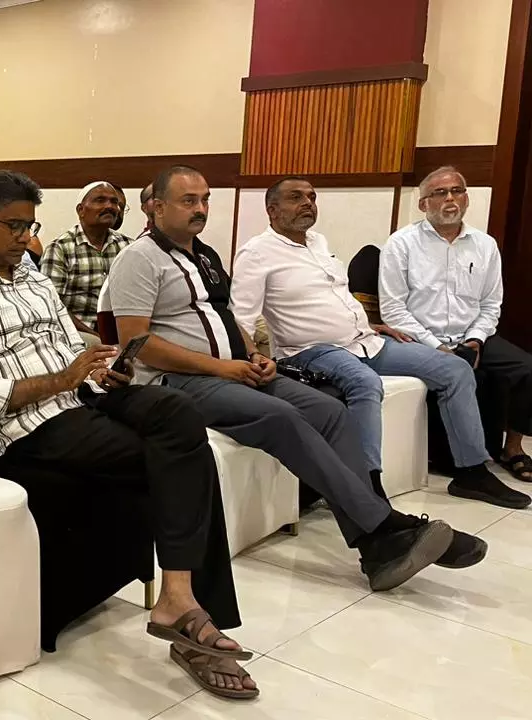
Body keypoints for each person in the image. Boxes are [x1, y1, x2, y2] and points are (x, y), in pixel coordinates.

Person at [0, 171, 255, 700]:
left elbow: (70, 349)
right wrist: (62, 380)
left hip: (85, 399)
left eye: (31, 226)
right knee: (180, 463)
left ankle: (177, 595)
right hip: (34, 426)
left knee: (177, 413)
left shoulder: (34, 280)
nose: (25, 237)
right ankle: (191, 613)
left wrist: (104, 370)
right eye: (14, 226)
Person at [106, 165, 484, 592]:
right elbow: (135, 341)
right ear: (157, 207)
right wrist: (221, 367)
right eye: (188, 201)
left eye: (205, 199)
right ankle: (386, 526)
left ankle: (378, 545)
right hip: (178, 379)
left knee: (330, 410)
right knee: (280, 416)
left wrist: (253, 354)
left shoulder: (204, 254)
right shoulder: (138, 258)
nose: (201, 209)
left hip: (235, 368)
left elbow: (229, 318)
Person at [235, 177, 525, 512]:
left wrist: (368, 324)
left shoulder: (317, 242)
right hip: (310, 350)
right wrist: (250, 355)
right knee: (364, 382)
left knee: (455, 368)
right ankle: (366, 486)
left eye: (312, 197)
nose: (307, 203)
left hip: (364, 341)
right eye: (295, 197)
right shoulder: (257, 253)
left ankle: (471, 472)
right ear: (272, 210)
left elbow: (330, 298)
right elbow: (240, 317)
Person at [380, 166, 532, 484]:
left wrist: (475, 340)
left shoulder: (485, 245)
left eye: (457, 191)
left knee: (526, 368)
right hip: (420, 339)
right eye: (440, 192)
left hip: (471, 334)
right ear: (423, 203)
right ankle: (458, 459)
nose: (450, 198)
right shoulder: (401, 243)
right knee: (456, 371)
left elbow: (491, 304)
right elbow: (393, 310)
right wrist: (436, 346)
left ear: (466, 198)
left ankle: (512, 448)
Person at [40, 181, 133, 334]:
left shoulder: (128, 246)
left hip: (123, 328)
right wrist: (96, 336)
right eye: (100, 200)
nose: (109, 206)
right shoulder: (60, 248)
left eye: (114, 202)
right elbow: (53, 305)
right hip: (80, 332)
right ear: (81, 210)